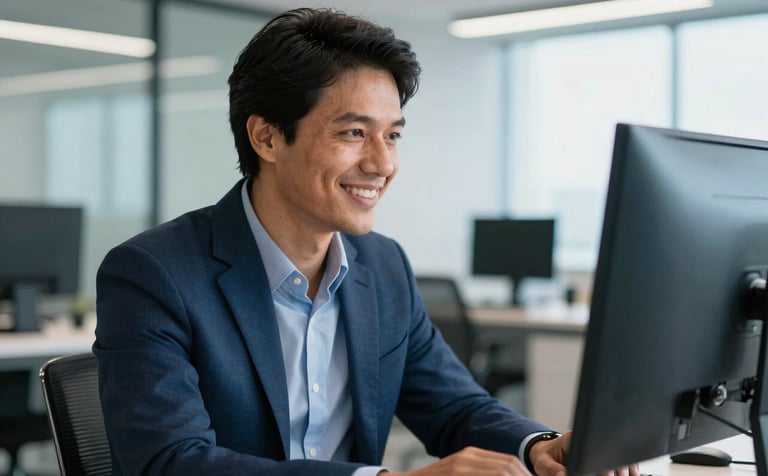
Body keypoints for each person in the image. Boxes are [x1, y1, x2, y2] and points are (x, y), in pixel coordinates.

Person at [94, 7, 638, 476]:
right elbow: (170, 463)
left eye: (392, 134)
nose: (383, 164)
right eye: (354, 133)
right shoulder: (154, 273)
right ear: (266, 137)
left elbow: (454, 407)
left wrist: (538, 446)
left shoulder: (382, 267)